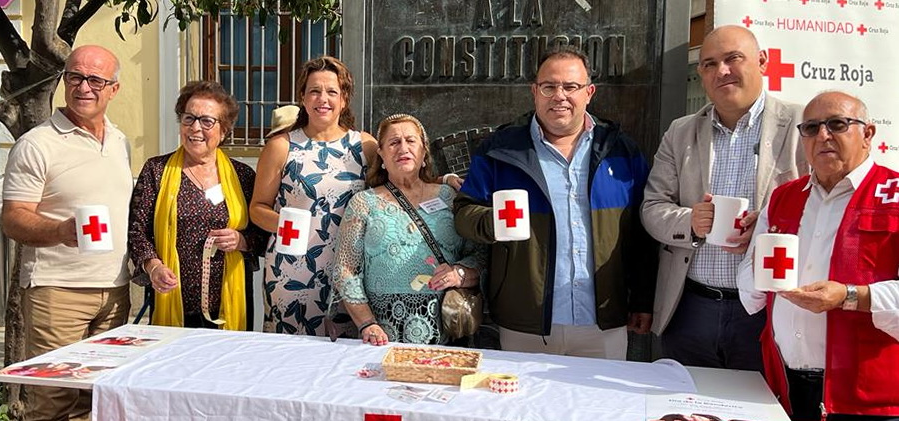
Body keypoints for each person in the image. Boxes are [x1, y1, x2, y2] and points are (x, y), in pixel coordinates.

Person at [453, 49, 657, 360]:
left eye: (570, 86)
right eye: (549, 86)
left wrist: (642, 299)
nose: (559, 96)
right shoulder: (501, 149)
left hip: (603, 321)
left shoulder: (620, 151)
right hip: (525, 321)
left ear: (589, 92)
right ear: (535, 92)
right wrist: (494, 223)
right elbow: (464, 213)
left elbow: (643, 232)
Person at [0, 45, 131, 421]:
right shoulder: (38, 143)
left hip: (114, 289)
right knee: (52, 400)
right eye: (75, 77)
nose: (84, 87)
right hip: (57, 289)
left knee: (93, 398)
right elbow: (13, 219)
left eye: (96, 80)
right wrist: (60, 231)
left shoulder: (119, 140)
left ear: (113, 89)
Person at [738, 91, 899, 421]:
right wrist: (761, 275)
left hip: (869, 408)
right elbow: (750, 282)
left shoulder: (894, 195)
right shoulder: (783, 197)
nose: (823, 135)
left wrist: (848, 296)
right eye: (811, 128)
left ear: (868, 133)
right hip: (786, 393)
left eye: (837, 124)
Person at [641, 25, 807, 371]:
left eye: (733, 58)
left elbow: (827, 209)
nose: (722, 71)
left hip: (768, 308)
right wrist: (690, 221)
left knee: (759, 404)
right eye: (709, 64)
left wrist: (766, 226)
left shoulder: (803, 125)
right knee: (683, 401)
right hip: (690, 310)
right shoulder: (681, 132)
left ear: (762, 62)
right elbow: (653, 207)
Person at [249, 56, 378, 336]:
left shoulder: (365, 146)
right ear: (303, 97)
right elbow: (257, 208)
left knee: (347, 351)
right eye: (315, 91)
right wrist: (287, 225)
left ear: (344, 99)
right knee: (291, 352)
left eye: (332, 91)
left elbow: (392, 193)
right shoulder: (281, 146)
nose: (323, 99)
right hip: (293, 271)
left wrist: (444, 181)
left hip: (349, 272)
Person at [332, 113, 484, 345]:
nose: (403, 148)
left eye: (411, 141)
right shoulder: (363, 203)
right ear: (381, 155)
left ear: (424, 152)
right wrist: (367, 323)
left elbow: (480, 256)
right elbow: (346, 269)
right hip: (382, 336)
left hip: (448, 330)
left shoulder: (450, 198)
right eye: (394, 142)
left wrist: (459, 274)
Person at [128, 81, 266, 329]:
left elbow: (262, 233)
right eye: (188, 118)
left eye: (207, 121)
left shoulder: (243, 176)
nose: (195, 128)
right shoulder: (156, 171)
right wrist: (153, 266)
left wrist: (242, 241)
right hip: (172, 299)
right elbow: (138, 231)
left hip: (229, 304)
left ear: (223, 131)